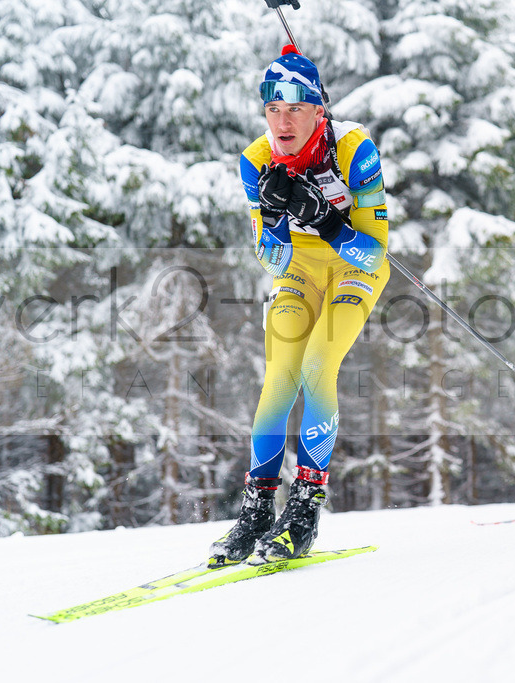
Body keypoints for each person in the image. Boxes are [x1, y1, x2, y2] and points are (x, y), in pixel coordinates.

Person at [210, 45, 390, 565]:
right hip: (299, 271)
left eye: (294, 109)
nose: (281, 122)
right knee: (280, 376)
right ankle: (258, 507)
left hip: (354, 269)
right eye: (272, 109)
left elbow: (374, 251)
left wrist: (327, 218)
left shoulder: (356, 149)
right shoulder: (256, 160)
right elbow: (272, 259)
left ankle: (306, 507)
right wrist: (276, 213)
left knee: (317, 365)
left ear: (319, 109)